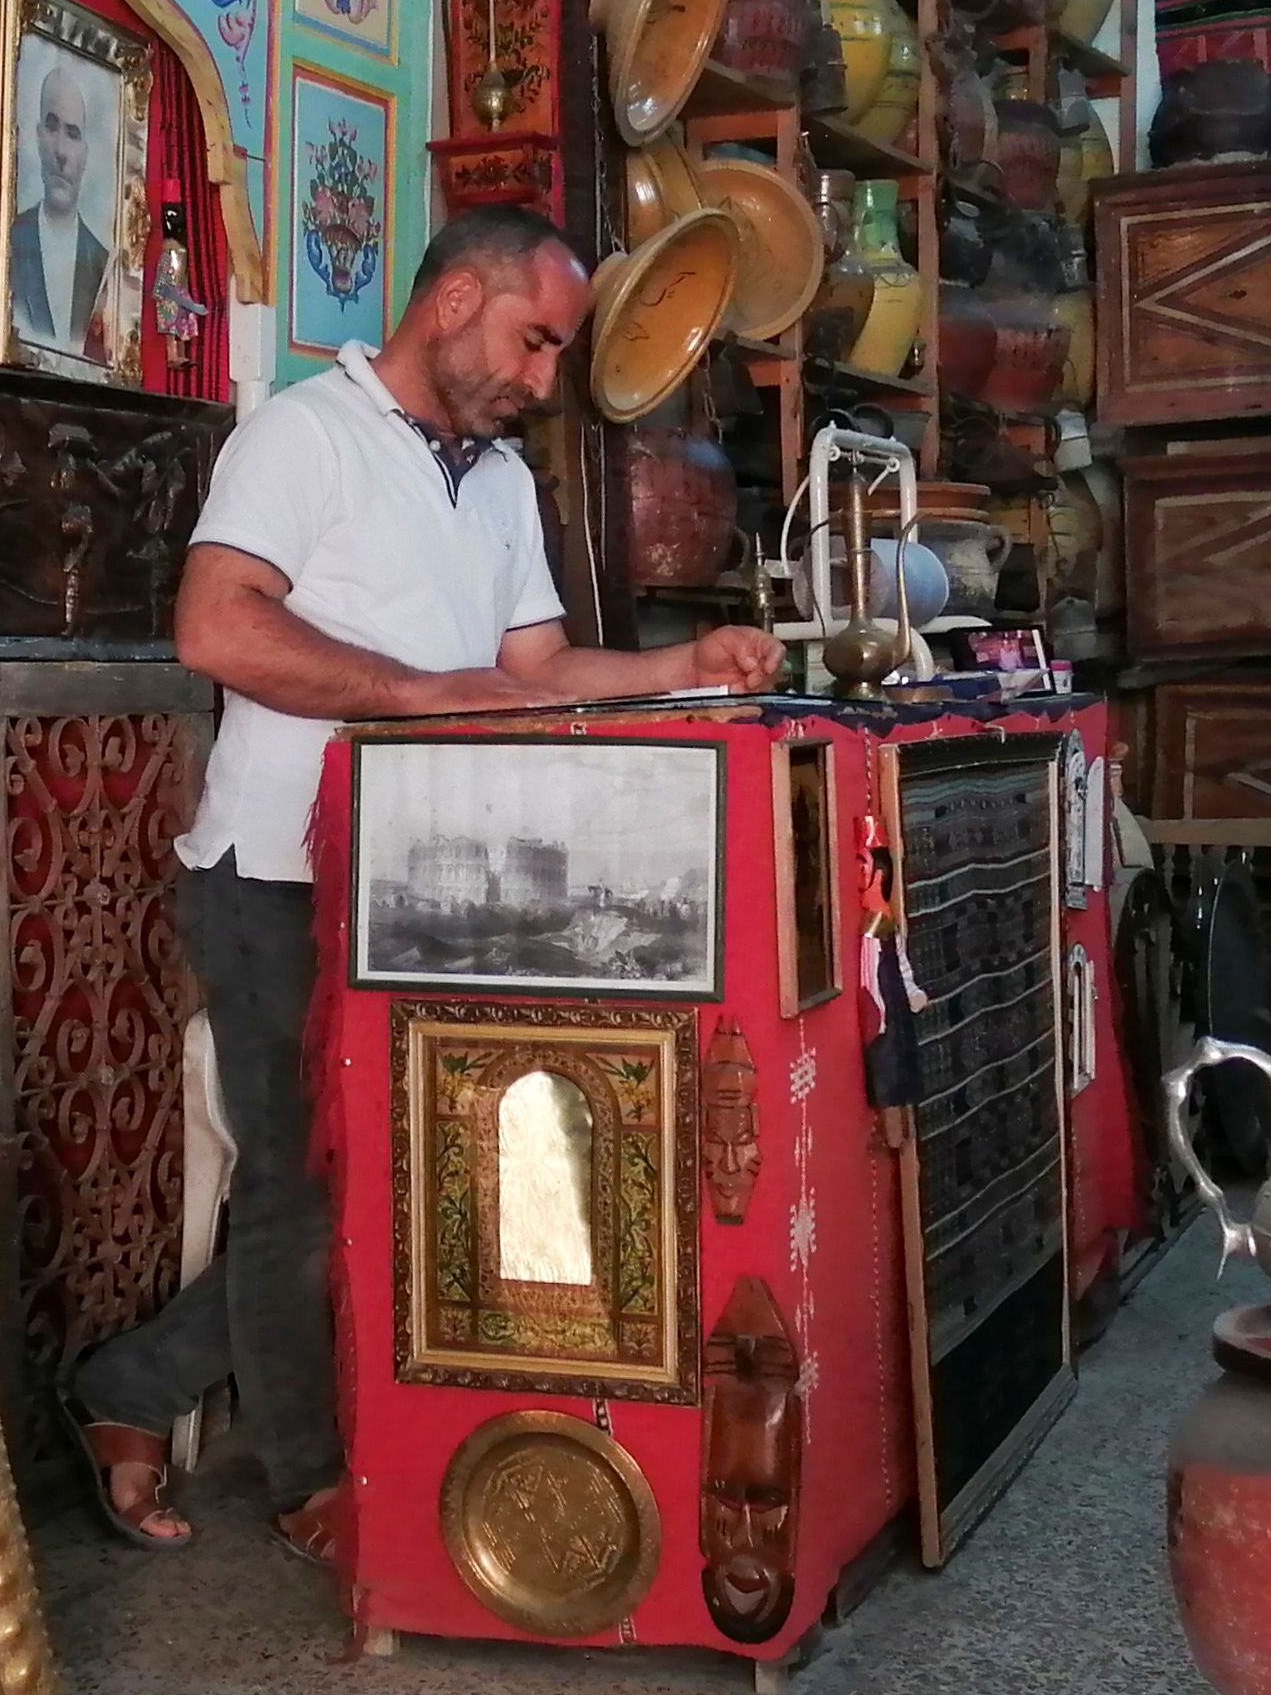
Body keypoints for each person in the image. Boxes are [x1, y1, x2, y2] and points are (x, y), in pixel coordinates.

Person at [65, 205, 781, 1562]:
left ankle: (135, 1382)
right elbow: (215, 624)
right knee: (301, 1185)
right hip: (277, 873)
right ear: (454, 300)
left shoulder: (503, 481)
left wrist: (681, 669)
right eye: (535, 339)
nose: (543, 376)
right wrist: (404, 694)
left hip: (434, 886)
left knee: (399, 1180)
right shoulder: (304, 434)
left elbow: (533, 671)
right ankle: (310, 1483)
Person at [9, 54, 114, 353]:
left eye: (73, 133)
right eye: (52, 127)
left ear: (85, 152)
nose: (61, 152)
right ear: (38, 136)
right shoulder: (10, 240)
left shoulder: (101, 261)